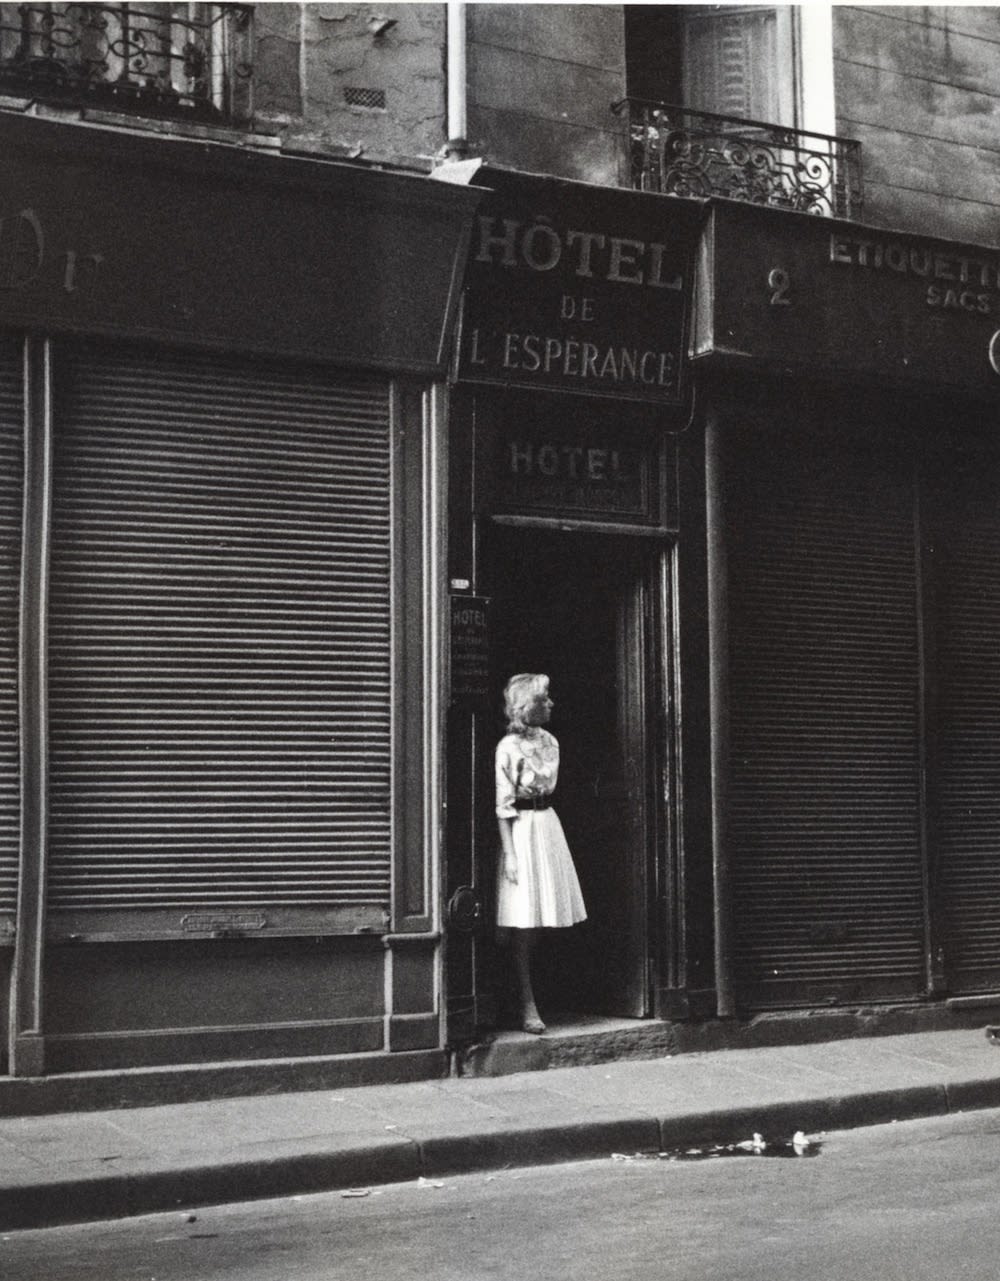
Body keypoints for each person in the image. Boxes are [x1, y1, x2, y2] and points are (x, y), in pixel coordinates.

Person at [495, 673, 587, 1034]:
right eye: (543, 699)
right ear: (524, 706)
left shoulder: (551, 741)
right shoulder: (508, 747)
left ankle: (548, 994)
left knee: (547, 913)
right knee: (524, 920)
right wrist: (511, 855)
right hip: (522, 830)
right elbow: (502, 805)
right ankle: (525, 1003)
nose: (550, 704)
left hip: (548, 825)